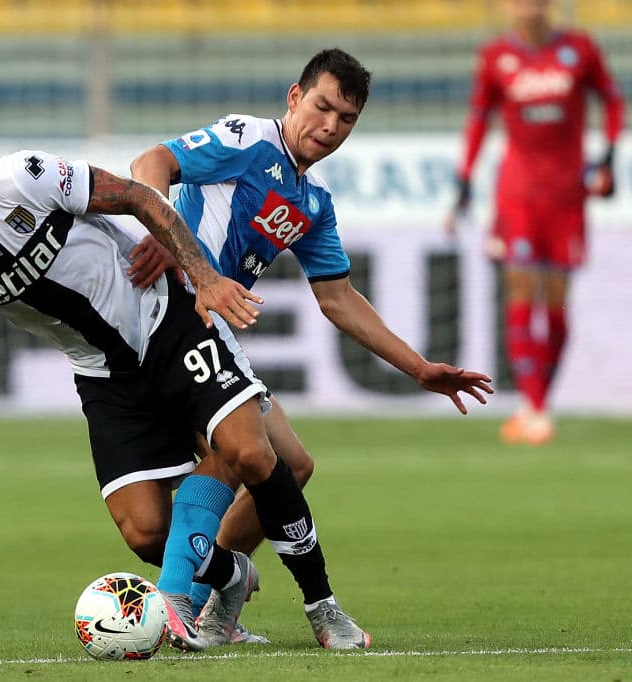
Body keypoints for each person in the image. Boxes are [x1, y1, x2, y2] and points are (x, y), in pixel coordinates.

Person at [0, 125, 374, 652]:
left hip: (164, 315)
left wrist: (201, 277)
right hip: (104, 373)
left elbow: (138, 196)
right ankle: (229, 574)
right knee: (145, 532)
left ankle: (320, 607)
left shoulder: (23, 178)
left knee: (248, 450)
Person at [130, 48, 495, 645]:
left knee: (292, 465)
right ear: (294, 97)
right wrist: (167, 233)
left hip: (216, 331)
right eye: (322, 107)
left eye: (346, 119)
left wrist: (419, 369)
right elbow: (152, 162)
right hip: (171, 318)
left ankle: (208, 604)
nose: (330, 126)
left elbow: (338, 298)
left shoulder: (313, 201)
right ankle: (193, 603)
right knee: (239, 457)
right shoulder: (248, 139)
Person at [447, 0, 624, 445]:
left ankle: (538, 405)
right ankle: (534, 407)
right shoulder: (495, 57)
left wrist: (609, 156)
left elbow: (612, 101)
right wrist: (465, 179)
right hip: (518, 195)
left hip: (568, 196)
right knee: (522, 291)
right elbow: (479, 119)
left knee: (557, 304)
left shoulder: (580, 49)